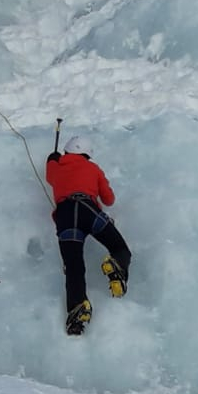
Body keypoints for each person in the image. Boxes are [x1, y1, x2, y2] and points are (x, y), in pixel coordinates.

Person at [46, 135, 132, 336]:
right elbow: (109, 199)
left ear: (67, 152)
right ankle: (116, 266)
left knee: (74, 267)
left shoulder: (56, 167)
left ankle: (77, 315)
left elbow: (50, 170)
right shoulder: (93, 169)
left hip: (65, 216)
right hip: (87, 209)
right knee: (119, 248)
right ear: (87, 154)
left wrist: (52, 157)